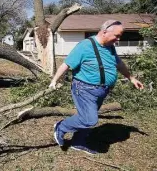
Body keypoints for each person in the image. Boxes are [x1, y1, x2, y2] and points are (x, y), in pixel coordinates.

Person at [50, 20, 144, 154]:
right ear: (105, 32)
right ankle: (61, 127)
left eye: (119, 37)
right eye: (116, 36)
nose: (118, 40)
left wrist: (131, 78)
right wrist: (54, 81)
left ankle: (78, 142)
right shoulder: (85, 46)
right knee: (89, 119)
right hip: (84, 89)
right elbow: (66, 64)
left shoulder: (109, 46)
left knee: (86, 116)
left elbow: (119, 64)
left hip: (102, 90)